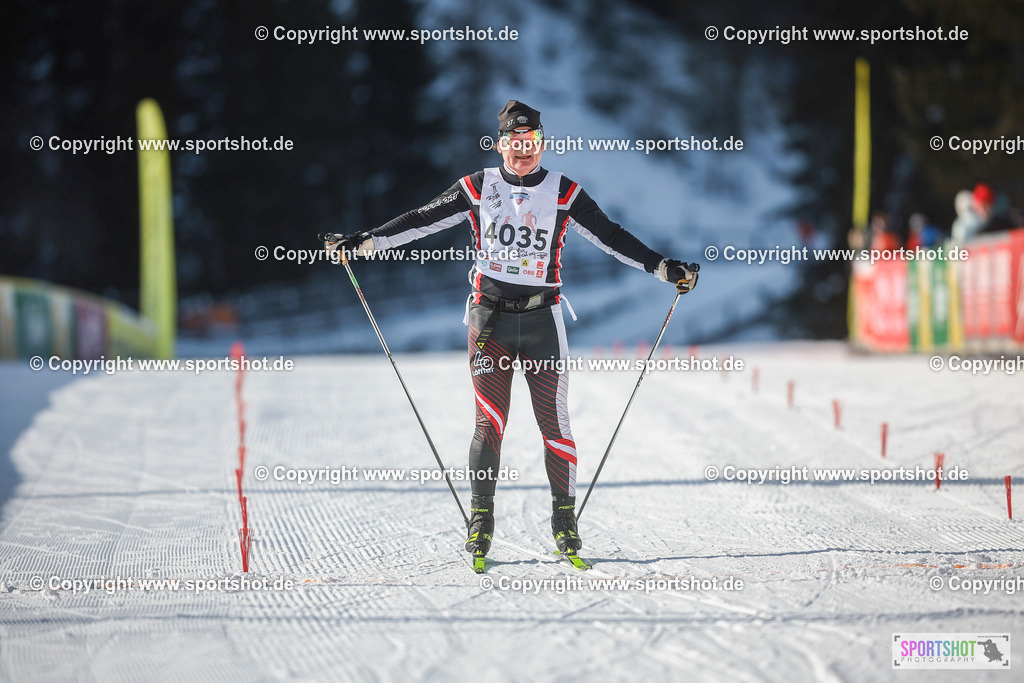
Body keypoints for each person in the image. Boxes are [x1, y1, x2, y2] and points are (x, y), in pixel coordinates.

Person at [325, 100, 698, 563]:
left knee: (555, 425)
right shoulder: (478, 187)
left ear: (542, 143)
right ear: (500, 144)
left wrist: (662, 267)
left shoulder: (564, 192)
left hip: (544, 321)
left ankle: (565, 521)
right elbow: (421, 219)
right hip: (490, 323)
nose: (523, 150)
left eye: (531, 141)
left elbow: (611, 235)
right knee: (489, 424)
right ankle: (481, 520)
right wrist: (365, 241)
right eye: (514, 142)